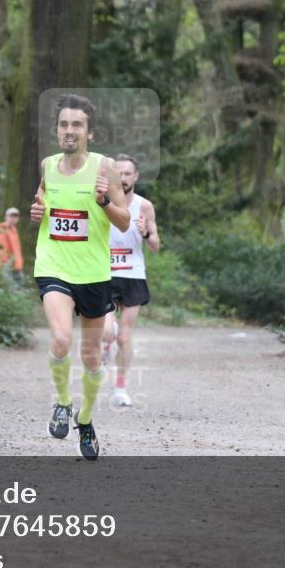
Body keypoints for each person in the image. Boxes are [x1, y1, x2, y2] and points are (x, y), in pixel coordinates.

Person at [30, 94, 130, 460]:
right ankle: (62, 403)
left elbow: (124, 221)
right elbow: (42, 202)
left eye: (77, 125)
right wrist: (37, 211)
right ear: (57, 130)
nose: (69, 131)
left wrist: (104, 202)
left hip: (93, 273)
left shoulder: (106, 169)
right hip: (54, 265)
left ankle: (85, 421)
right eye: (63, 125)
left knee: (90, 356)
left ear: (90, 132)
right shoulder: (48, 165)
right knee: (60, 338)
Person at [101, 154, 159, 407]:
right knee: (107, 332)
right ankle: (105, 347)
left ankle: (121, 387)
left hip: (133, 273)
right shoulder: (102, 202)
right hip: (104, 273)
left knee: (124, 337)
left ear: (135, 177)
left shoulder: (144, 206)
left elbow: (156, 245)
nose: (123, 178)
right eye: (119, 173)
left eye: (127, 174)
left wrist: (145, 231)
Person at [0, 207, 24, 284]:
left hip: (17, 267)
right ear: (6, 217)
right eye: (11, 216)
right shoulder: (3, 230)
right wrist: (3, 265)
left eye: (16, 216)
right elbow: (0, 250)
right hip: (7, 268)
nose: (14, 218)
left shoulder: (14, 231)